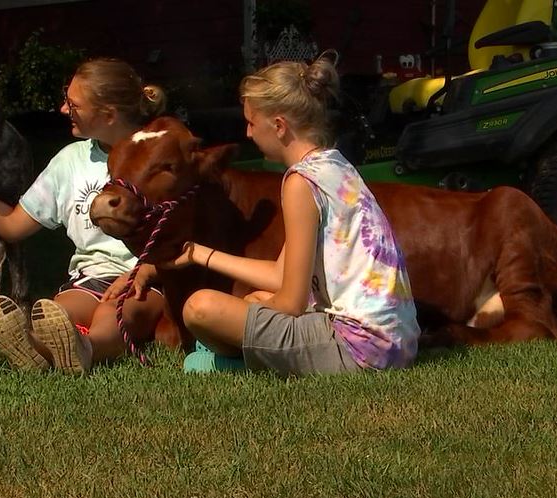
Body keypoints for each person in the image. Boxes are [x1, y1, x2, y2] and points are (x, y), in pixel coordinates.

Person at [162, 51, 420, 376]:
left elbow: (291, 303)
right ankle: (240, 353)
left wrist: (243, 313)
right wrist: (198, 254)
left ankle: (233, 365)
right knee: (252, 299)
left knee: (200, 307)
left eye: (252, 122)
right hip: (393, 343)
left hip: (359, 348)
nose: (248, 133)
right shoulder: (334, 165)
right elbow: (280, 275)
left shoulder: (300, 182)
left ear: (279, 126)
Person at [0, 58, 166, 374]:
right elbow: (11, 226)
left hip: (147, 280)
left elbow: (190, 232)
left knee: (112, 312)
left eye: (74, 105)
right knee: (56, 312)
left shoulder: (160, 154)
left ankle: (87, 348)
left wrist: (145, 270)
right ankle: (33, 347)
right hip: (90, 278)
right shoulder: (69, 161)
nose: (63, 109)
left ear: (108, 115)